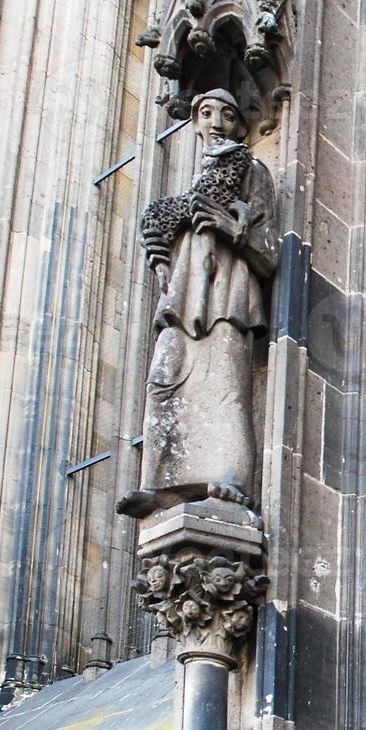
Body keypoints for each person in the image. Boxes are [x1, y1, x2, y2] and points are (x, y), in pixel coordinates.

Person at [118, 89, 279, 518]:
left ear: (241, 126)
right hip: (185, 297)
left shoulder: (252, 170)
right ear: (194, 122)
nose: (216, 123)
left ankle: (230, 481)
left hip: (227, 294)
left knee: (225, 385)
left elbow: (269, 250)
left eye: (227, 115)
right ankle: (161, 487)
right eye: (206, 113)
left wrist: (233, 227)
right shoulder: (188, 192)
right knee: (164, 378)